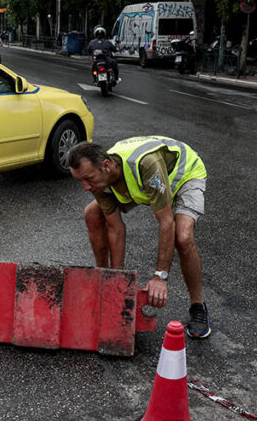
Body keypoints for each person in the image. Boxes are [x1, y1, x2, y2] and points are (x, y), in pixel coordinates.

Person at [68, 138, 211, 338]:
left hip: (182, 176)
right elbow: (116, 228)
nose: (86, 187)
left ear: (106, 166)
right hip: (146, 185)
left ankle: (198, 306)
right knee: (92, 213)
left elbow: (166, 222)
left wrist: (160, 276)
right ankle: (104, 279)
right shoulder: (100, 179)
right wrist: (117, 281)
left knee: (183, 237)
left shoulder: (145, 165)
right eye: (80, 181)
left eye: (88, 179)